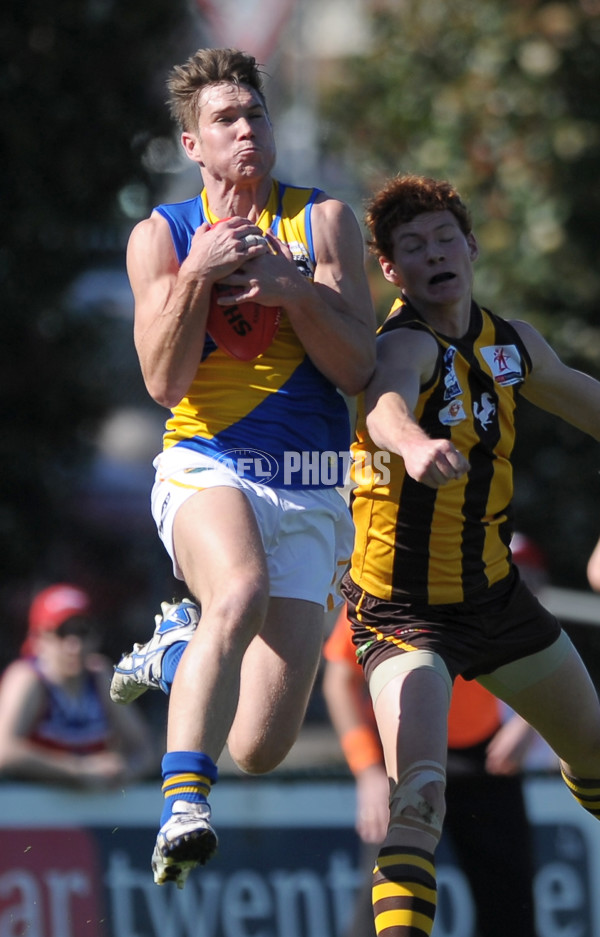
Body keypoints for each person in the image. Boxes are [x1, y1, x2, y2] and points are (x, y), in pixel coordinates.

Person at [108, 47, 376, 888]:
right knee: (240, 590)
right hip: (207, 461)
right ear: (194, 144)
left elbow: (361, 367)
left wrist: (294, 291)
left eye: (254, 112)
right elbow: (162, 381)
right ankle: (183, 803)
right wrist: (199, 275)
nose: (246, 128)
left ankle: (179, 653)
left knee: (262, 743)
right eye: (225, 118)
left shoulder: (322, 220)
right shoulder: (162, 235)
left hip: (307, 476)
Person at [340, 173, 600, 937]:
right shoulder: (405, 344)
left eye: (443, 237)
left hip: (496, 599)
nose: (433, 254)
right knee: (418, 795)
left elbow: (580, 393)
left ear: (471, 246)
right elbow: (384, 402)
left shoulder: (511, 345)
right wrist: (416, 445)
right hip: (404, 617)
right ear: (392, 272)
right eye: (411, 247)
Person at [323, 604, 539, 937]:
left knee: (510, 912)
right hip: (401, 761)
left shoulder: (482, 570)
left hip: (484, 761)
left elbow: (539, 654)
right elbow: (339, 681)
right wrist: (367, 769)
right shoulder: (374, 584)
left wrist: (528, 721)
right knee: (386, 909)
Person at [0, 584, 156, 788]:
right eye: (62, 632)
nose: (75, 646)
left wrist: (120, 773)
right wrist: (79, 770)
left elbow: (146, 752)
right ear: (39, 639)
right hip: (30, 814)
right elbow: (5, 751)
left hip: (91, 814)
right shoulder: (28, 678)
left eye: (83, 631)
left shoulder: (100, 676)